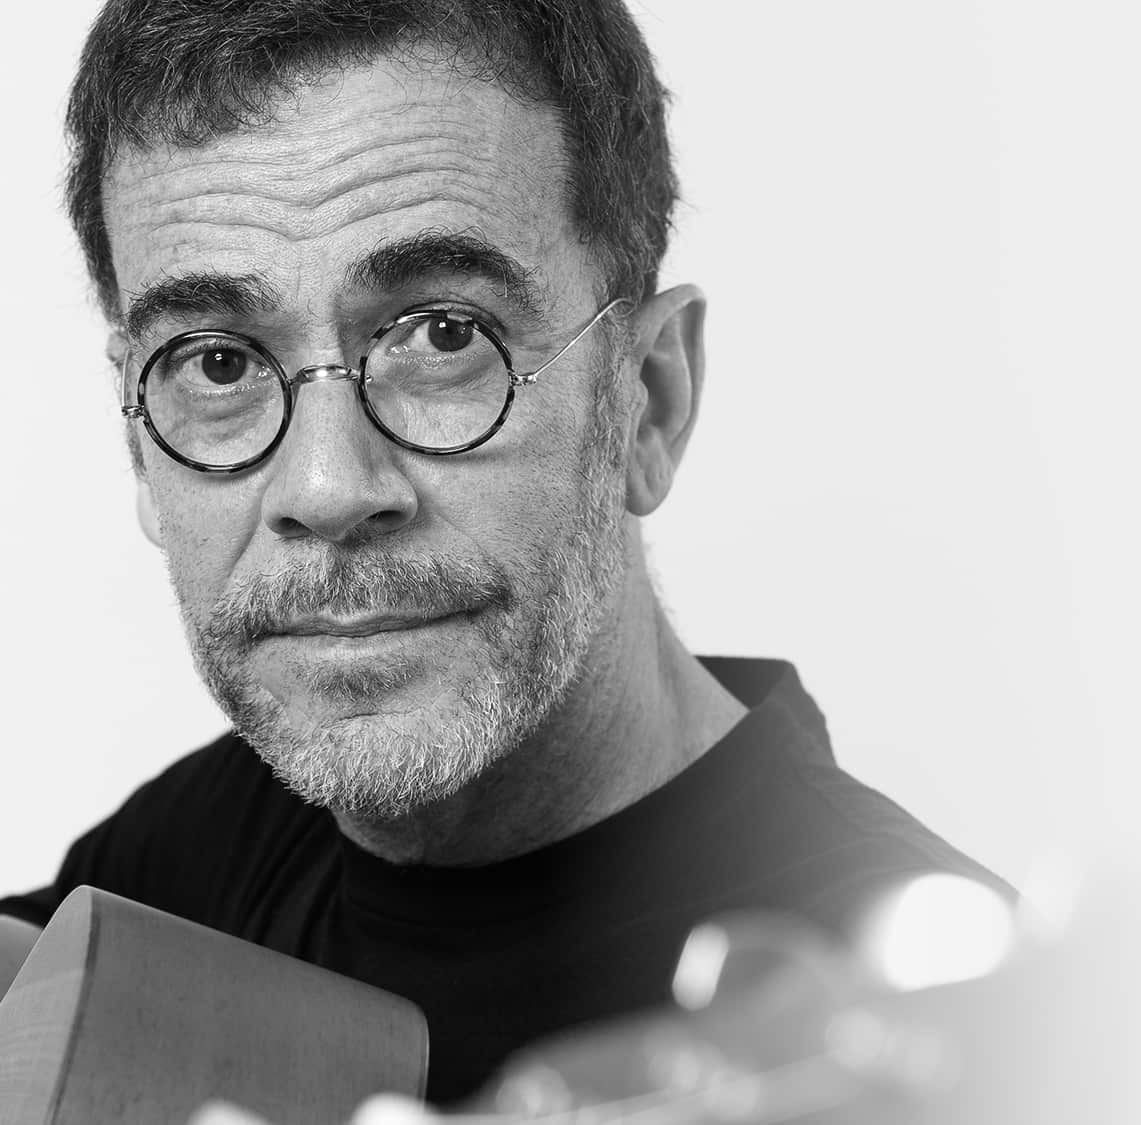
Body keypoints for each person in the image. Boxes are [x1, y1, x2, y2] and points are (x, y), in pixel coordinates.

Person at [0, 0, 1002, 1105]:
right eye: (218, 365)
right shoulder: (207, 849)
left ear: (649, 402)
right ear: (138, 447)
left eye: (445, 335)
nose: (327, 489)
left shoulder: (988, 1051)